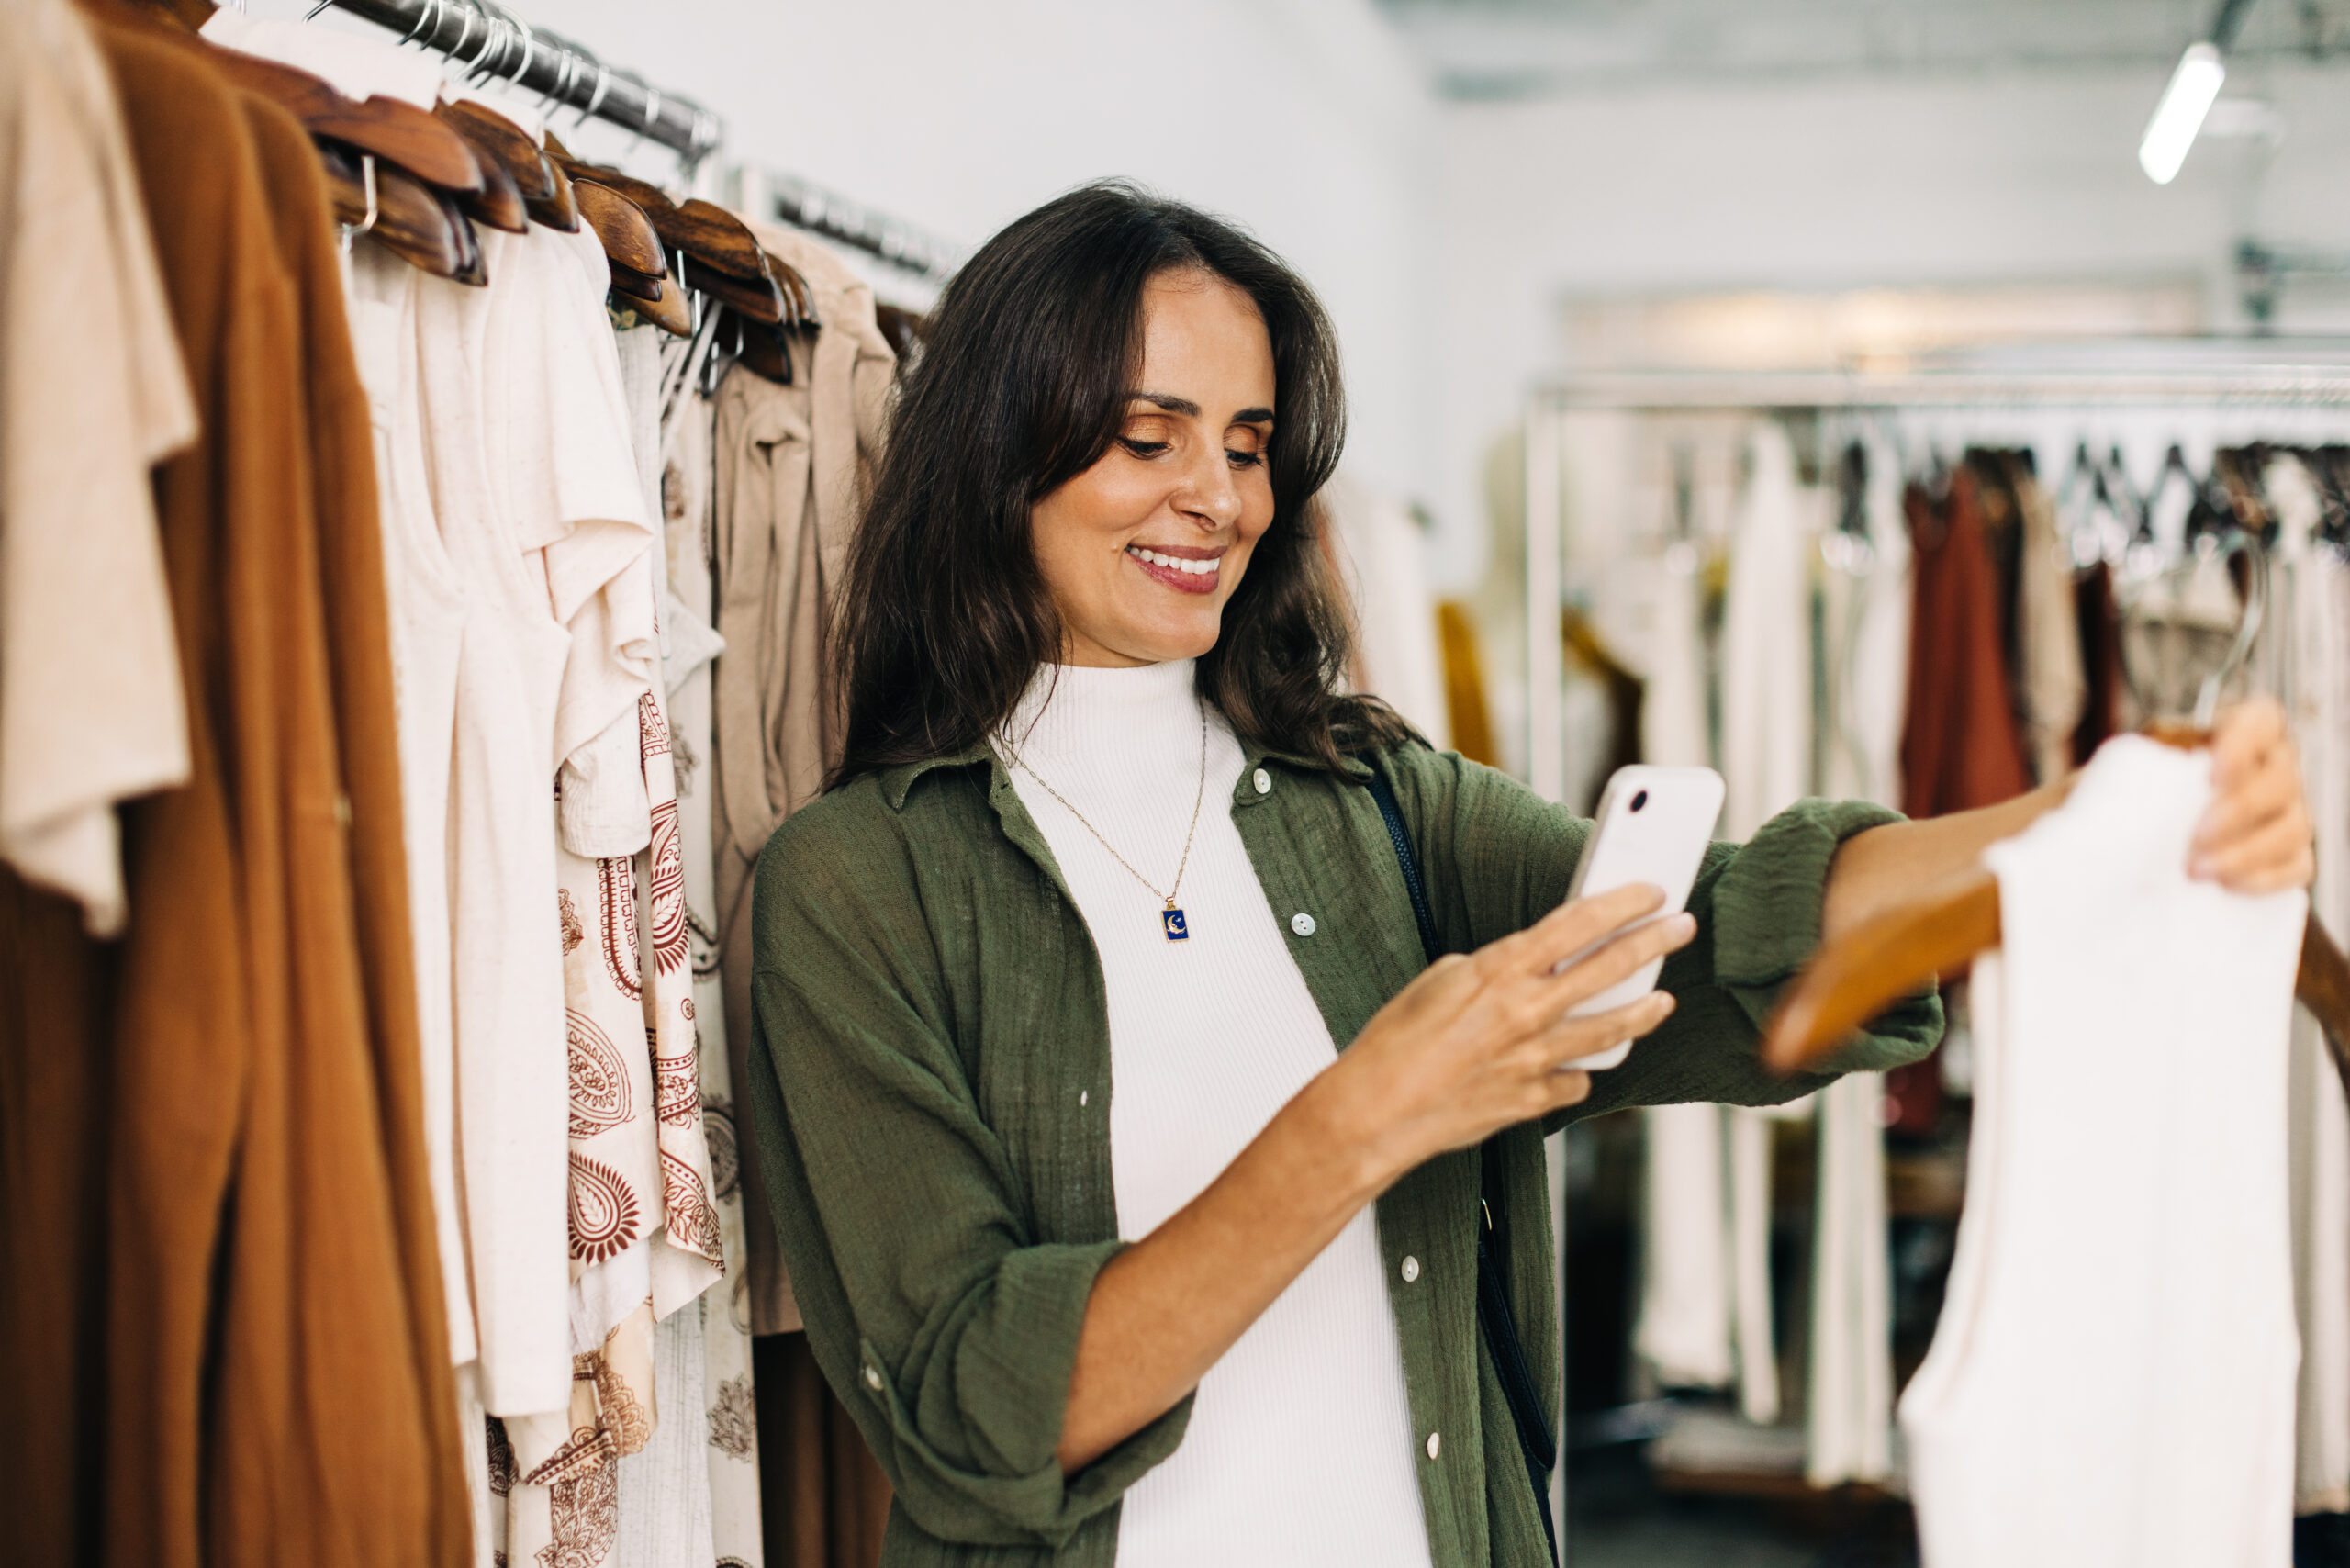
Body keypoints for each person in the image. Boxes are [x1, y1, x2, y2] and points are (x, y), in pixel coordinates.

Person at [745, 182, 2316, 1568]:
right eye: (1148, 439)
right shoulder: (854, 890)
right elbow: (969, 1406)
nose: (1216, 499)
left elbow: (1720, 930)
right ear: (998, 449)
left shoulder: (1371, 804)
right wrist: (1365, 1119)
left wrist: (2101, 819)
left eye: (1247, 446)